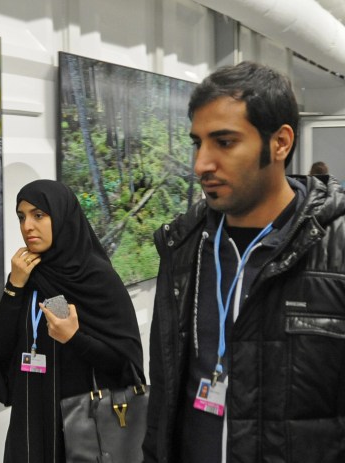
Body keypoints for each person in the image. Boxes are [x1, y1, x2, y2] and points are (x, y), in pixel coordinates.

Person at [143, 60, 345, 463]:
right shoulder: (183, 248)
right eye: (198, 143)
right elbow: (165, 399)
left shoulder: (335, 251)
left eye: (225, 142)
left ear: (280, 143)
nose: (202, 164)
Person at [0, 179, 144, 462]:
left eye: (39, 215)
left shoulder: (96, 278)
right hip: (32, 421)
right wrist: (13, 287)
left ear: (62, 216)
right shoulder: (29, 275)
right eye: (22, 217)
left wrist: (75, 339)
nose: (27, 226)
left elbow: (124, 362)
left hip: (84, 426)